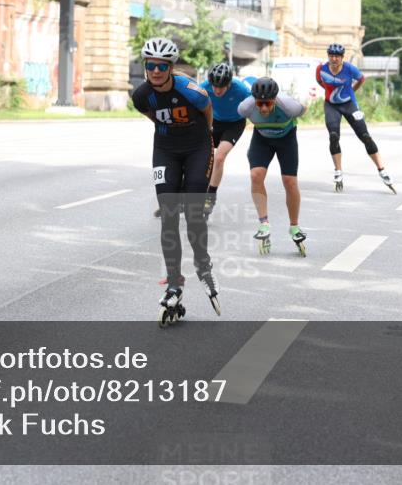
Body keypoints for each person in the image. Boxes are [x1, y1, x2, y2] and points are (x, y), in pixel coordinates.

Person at [130, 38, 220, 326]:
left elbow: (207, 114)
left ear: (171, 67)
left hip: (197, 148)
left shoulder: (191, 91)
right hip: (165, 149)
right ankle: (174, 283)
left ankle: (203, 265)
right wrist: (171, 130)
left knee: (193, 214)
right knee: (168, 216)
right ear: (146, 66)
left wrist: (202, 136)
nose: (156, 71)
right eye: (151, 66)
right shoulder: (141, 95)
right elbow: (153, 117)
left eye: (162, 66)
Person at [237, 77, 308, 256]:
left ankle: (294, 227)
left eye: (268, 103)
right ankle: (264, 223)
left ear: (275, 99)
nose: (263, 108)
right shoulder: (245, 108)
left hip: (287, 139)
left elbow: (304, 109)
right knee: (256, 175)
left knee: (289, 181)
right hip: (262, 139)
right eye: (259, 104)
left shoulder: (289, 106)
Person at [316, 43, 395, 194]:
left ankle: (382, 170)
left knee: (365, 137)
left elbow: (361, 79)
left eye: (337, 56)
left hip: (349, 104)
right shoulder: (321, 69)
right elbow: (320, 81)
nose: (334, 59)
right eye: (331, 56)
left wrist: (351, 91)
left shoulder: (350, 69)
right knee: (333, 136)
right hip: (331, 105)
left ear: (342, 58)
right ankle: (338, 171)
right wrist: (329, 91)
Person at [199, 63, 251, 218]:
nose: (217, 90)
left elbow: (256, 104)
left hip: (234, 124)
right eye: (214, 86)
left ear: (229, 83)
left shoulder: (241, 90)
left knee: (220, 157)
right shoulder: (204, 87)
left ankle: (210, 197)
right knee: (201, 157)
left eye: (221, 87)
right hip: (214, 121)